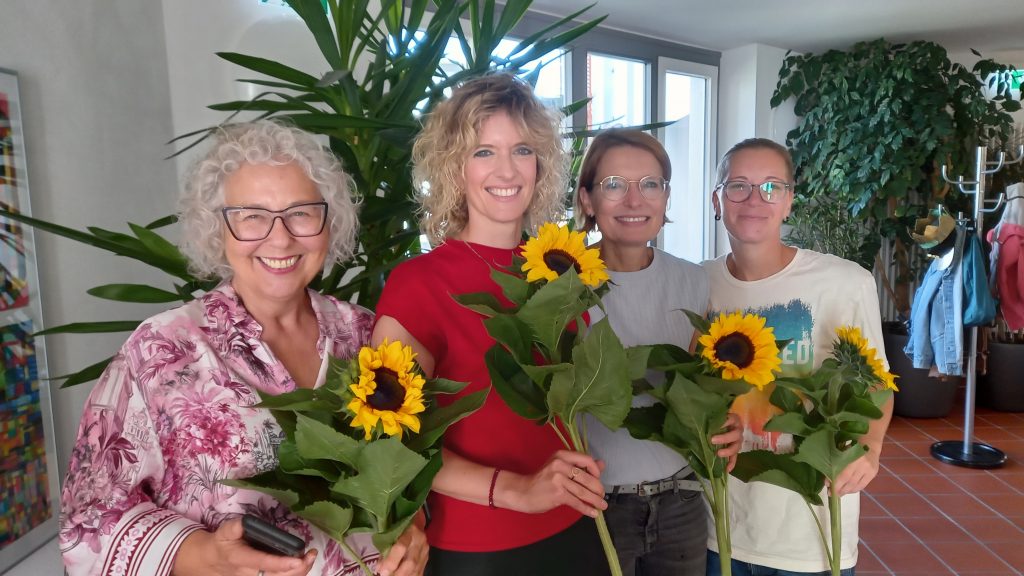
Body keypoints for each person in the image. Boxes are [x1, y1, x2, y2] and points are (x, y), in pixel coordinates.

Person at [59, 120, 428, 576]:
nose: (280, 238)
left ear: (329, 222)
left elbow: (407, 470)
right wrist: (198, 553)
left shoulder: (365, 334)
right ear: (218, 230)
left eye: (301, 212)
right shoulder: (161, 351)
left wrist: (412, 532)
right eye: (252, 216)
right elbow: (88, 519)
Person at [371, 73, 611, 576]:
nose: (506, 169)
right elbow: (392, 441)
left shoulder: (557, 267)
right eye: (483, 152)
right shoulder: (419, 284)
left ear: (541, 162)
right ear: (454, 166)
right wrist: (518, 490)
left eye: (522, 150)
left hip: (578, 525)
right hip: (480, 548)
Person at [703, 138, 894, 576]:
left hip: (811, 530)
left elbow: (878, 385)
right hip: (721, 524)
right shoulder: (698, 283)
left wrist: (871, 447)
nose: (755, 199)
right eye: (738, 186)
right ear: (717, 199)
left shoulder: (844, 283)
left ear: (789, 201)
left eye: (771, 186)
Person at [574, 129, 740, 576]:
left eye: (650, 184)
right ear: (587, 200)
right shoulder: (560, 285)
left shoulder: (694, 282)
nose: (634, 200)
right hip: (594, 507)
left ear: (665, 197)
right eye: (614, 185)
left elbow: (698, 388)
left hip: (680, 502)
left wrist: (726, 423)